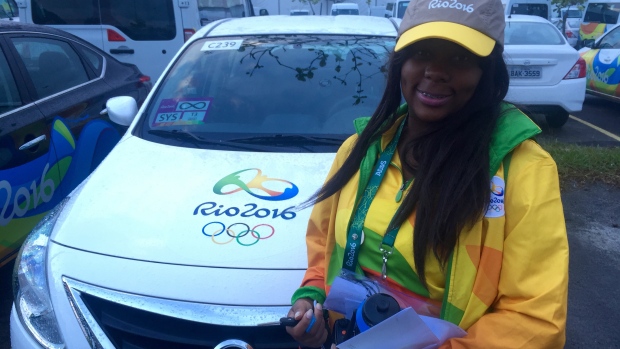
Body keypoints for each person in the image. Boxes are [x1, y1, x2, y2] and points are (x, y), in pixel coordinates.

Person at [285, 0, 569, 347]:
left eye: (460, 57)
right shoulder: (361, 148)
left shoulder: (524, 170)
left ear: (488, 71)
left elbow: (536, 320)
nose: (435, 71)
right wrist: (313, 303)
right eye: (421, 53)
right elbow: (322, 244)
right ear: (400, 63)